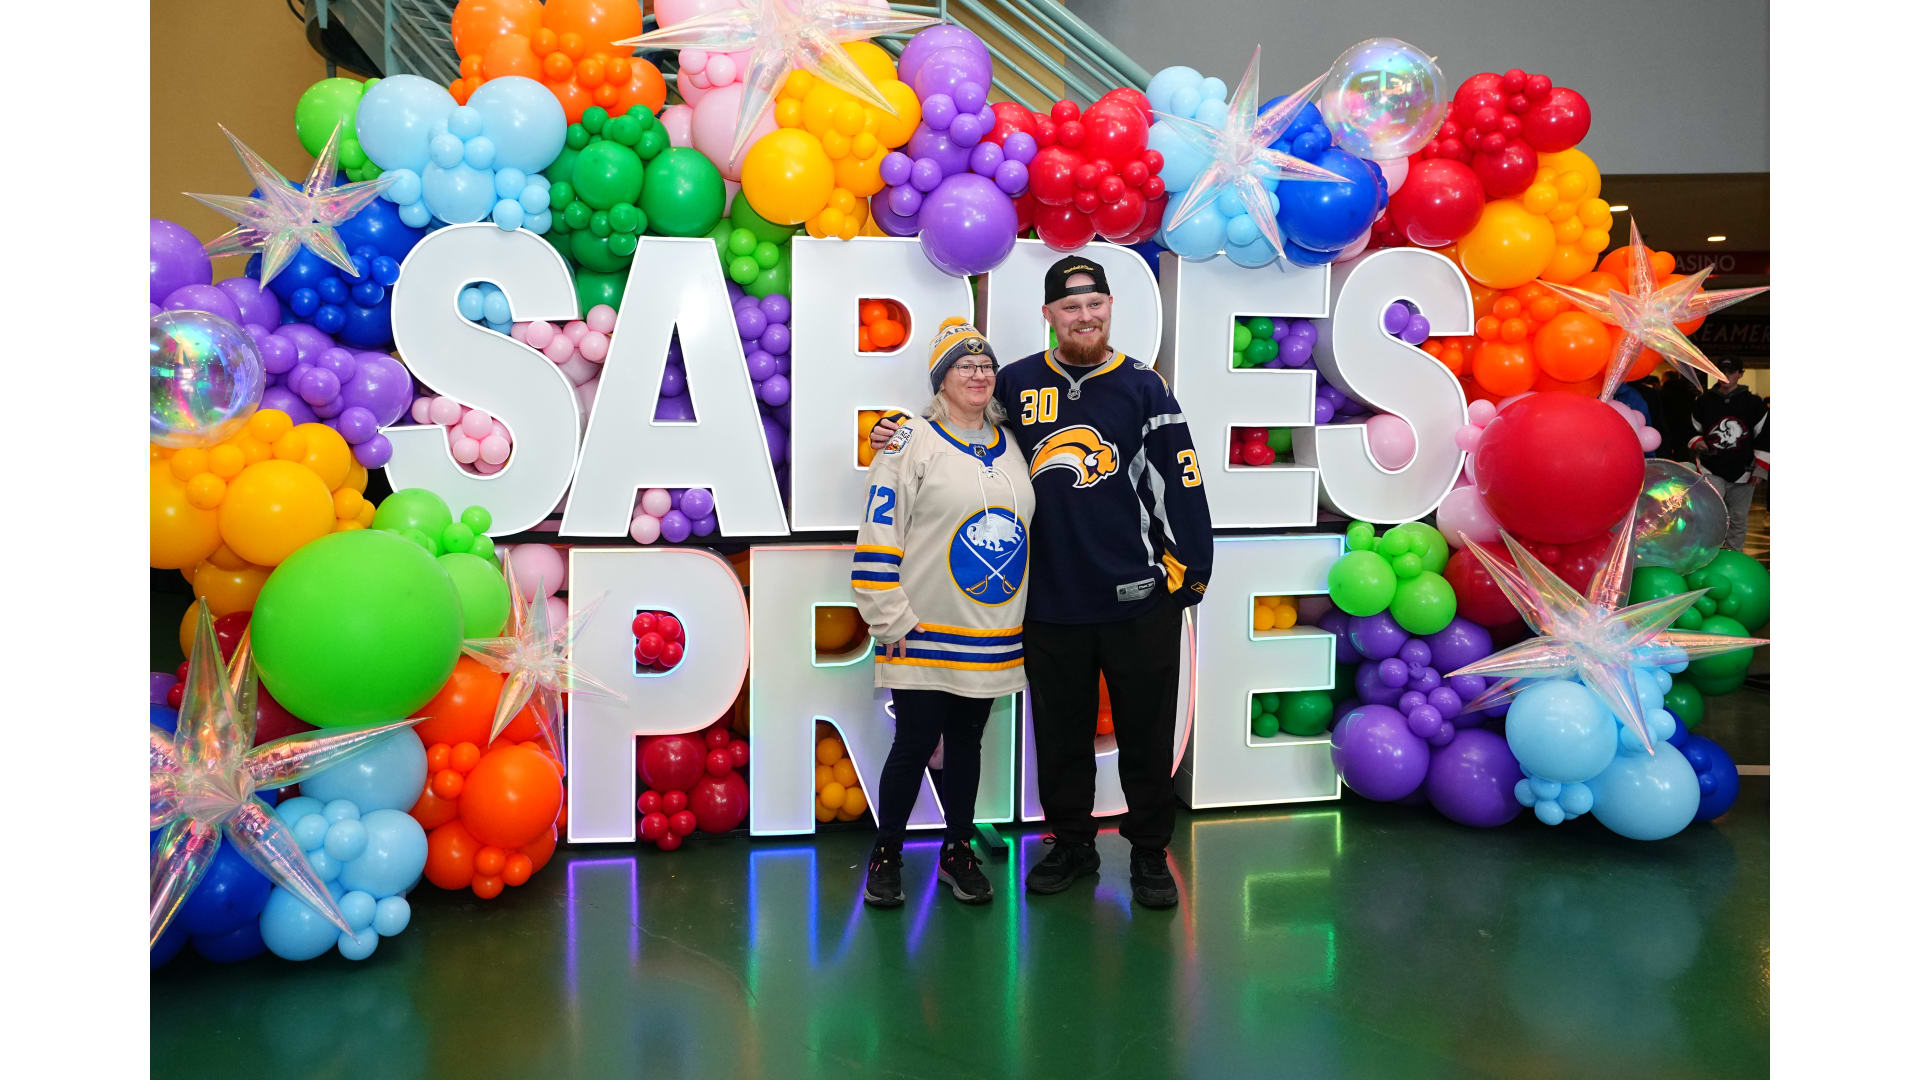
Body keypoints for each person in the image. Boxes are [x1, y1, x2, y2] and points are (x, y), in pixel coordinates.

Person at [870, 256, 1213, 909]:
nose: (1085, 317)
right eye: (1070, 307)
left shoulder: (1145, 387)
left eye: (1095, 304)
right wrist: (898, 427)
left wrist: (1189, 575)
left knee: (1145, 735)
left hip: (1138, 600)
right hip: (1050, 604)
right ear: (1049, 315)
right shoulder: (1017, 381)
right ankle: (1073, 844)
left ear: (1109, 308)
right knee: (1060, 738)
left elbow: (1182, 479)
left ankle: (1148, 853)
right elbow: (958, 420)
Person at [853, 318, 1035, 908]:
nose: (978, 375)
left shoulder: (1013, 444)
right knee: (914, 742)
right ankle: (886, 852)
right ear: (941, 379)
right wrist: (889, 616)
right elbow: (880, 529)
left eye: (985, 366)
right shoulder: (910, 440)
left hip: (991, 630)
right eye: (964, 366)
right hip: (923, 628)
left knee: (966, 743)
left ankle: (957, 849)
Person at [1688, 358, 1769, 552]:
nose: (1725, 376)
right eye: (1721, 371)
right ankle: (1707, 554)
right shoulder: (1703, 401)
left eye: (1731, 371)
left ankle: (1734, 555)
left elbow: (1765, 435)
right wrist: (1697, 441)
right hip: (1710, 467)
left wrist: (1760, 468)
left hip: (1744, 470)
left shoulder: (1754, 403)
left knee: (1738, 518)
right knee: (1709, 515)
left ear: (1740, 374)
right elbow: (1690, 428)